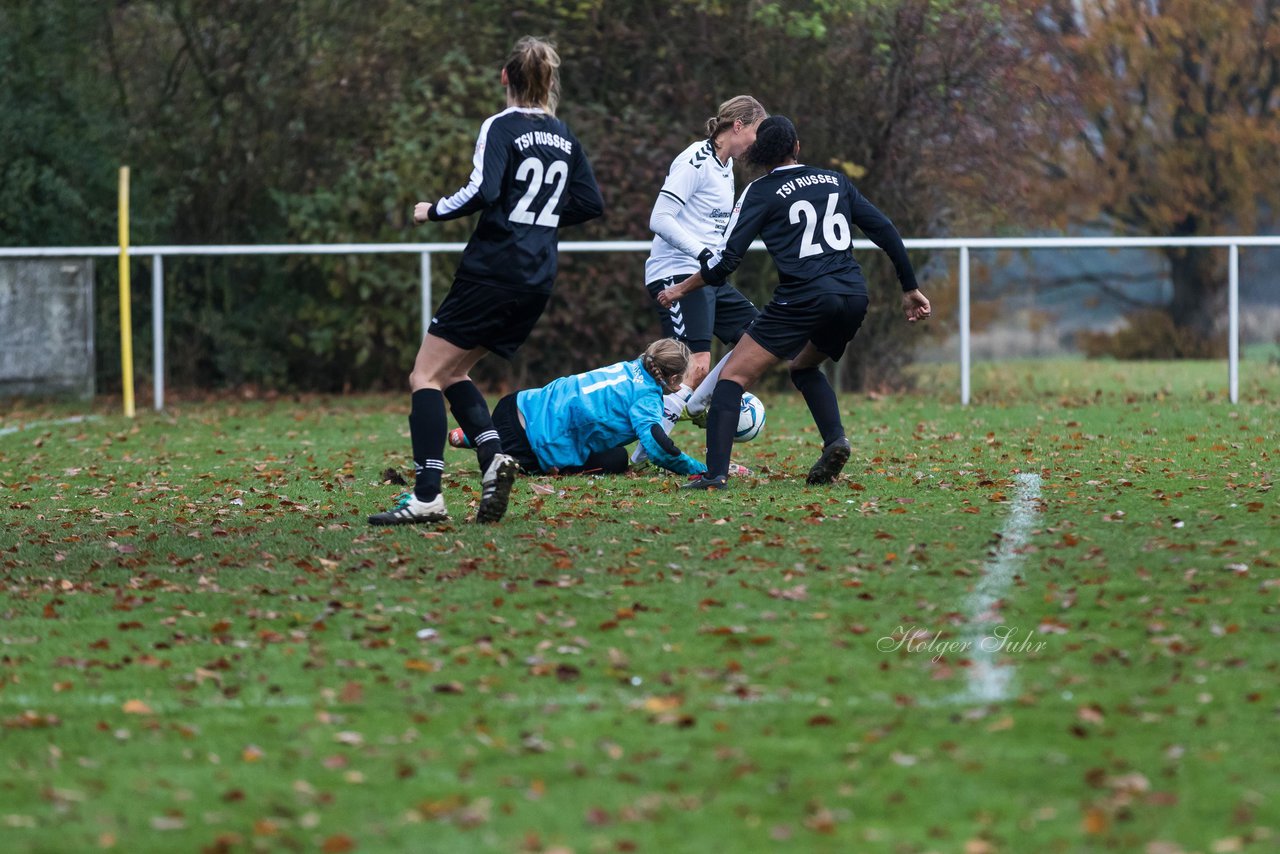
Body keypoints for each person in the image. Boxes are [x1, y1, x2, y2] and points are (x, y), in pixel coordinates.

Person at [369, 36, 603, 526]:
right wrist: (538, 223)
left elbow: (484, 188)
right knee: (454, 373)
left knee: (424, 376)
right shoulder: (563, 134)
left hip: (494, 269)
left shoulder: (500, 125)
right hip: (536, 277)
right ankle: (494, 458)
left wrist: (432, 210)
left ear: (505, 77)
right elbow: (589, 203)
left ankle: (427, 495)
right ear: (550, 81)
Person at [657, 115, 931, 490]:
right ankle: (835, 441)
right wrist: (909, 287)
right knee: (803, 368)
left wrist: (682, 289)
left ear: (758, 153)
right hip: (853, 295)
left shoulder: (759, 191)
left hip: (804, 298)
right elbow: (883, 228)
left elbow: (726, 262)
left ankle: (714, 475)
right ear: (797, 147)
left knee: (732, 378)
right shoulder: (834, 180)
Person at [632, 96, 767, 466]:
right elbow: (660, 218)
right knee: (695, 363)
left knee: (758, 335)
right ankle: (646, 454)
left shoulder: (725, 166)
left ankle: (695, 402)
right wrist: (703, 254)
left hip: (707, 276)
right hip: (675, 272)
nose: (758, 141)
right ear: (738, 126)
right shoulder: (696, 160)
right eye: (756, 131)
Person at [451, 339, 708, 478]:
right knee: (617, 458)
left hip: (514, 404)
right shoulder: (647, 399)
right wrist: (700, 470)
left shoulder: (629, 367)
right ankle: (501, 445)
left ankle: (480, 435)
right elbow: (660, 450)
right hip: (526, 446)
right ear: (673, 379)